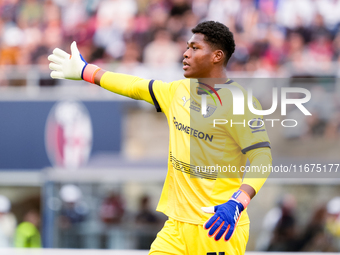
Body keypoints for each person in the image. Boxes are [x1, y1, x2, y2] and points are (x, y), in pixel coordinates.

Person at [48, 20, 272, 255]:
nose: (185, 54)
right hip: (176, 227)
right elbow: (134, 86)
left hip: (218, 227)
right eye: (187, 47)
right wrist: (86, 71)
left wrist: (239, 201)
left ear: (216, 56)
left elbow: (262, 157)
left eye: (195, 48)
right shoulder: (177, 92)